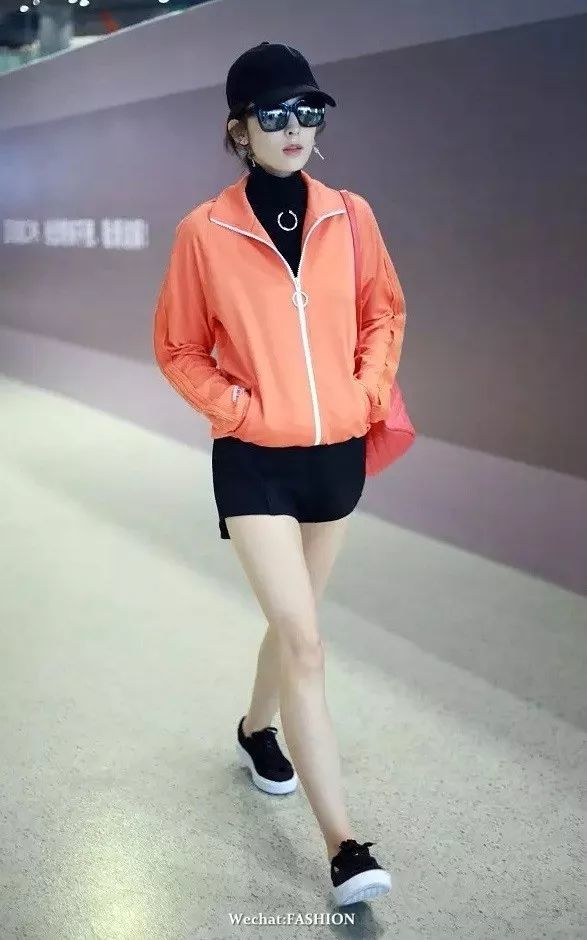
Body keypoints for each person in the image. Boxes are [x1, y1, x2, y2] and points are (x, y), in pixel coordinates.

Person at [153, 41, 406, 907]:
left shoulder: (351, 216)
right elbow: (178, 347)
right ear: (239, 129)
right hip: (253, 460)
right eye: (274, 114)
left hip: (335, 456)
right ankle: (343, 845)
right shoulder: (204, 231)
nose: (294, 128)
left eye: (308, 111)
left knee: (293, 623)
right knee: (304, 640)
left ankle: (255, 727)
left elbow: (382, 313)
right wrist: (238, 411)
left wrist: (364, 393)